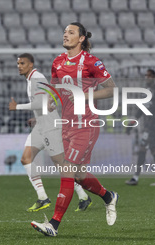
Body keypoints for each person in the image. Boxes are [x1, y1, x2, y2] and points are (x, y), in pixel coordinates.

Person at [31, 22, 119, 237]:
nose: (65, 35)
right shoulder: (58, 62)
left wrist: (88, 95)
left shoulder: (92, 62)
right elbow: (56, 90)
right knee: (79, 175)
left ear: (81, 38)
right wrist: (51, 102)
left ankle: (54, 224)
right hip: (66, 124)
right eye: (64, 32)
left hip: (86, 124)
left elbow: (111, 90)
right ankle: (108, 197)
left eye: (71, 32)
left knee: (67, 170)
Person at [9, 53, 92, 212]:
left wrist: (17, 107)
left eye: (22, 63)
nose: (19, 66)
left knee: (62, 166)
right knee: (26, 158)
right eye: (18, 63)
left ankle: (84, 195)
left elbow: (40, 102)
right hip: (40, 126)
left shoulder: (37, 77)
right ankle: (42, 197)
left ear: (31, 64)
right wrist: (36, 118)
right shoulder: (31, 79)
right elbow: (46, 102)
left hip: (50, 128)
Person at [125, 69, 155, 186]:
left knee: (146, 148)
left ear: (154, 77)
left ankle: (137, 178)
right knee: (150, 149)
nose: (147, 77)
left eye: (149, 75)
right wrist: (132, 123)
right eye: (146, 75)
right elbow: (141, 109)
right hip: (147, 126)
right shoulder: (144, 92)